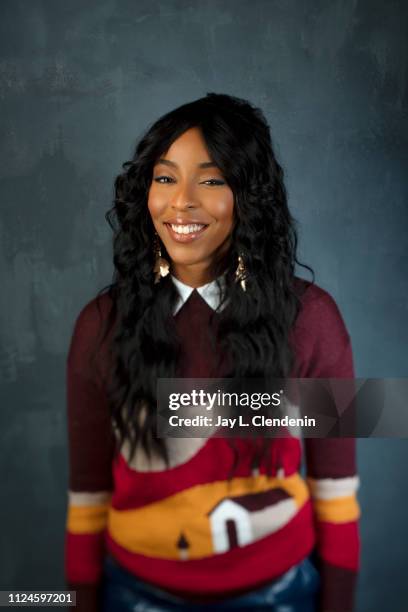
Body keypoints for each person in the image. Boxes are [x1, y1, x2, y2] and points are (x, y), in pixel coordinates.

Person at [64, 93, 360, 612]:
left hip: (280, 595)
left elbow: (335, 490)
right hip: (133, 595)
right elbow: (88, 496)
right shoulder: (99, 326)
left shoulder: (313, 319)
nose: (182, 201)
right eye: (164, 177)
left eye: (212, 179)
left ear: (249, 196)